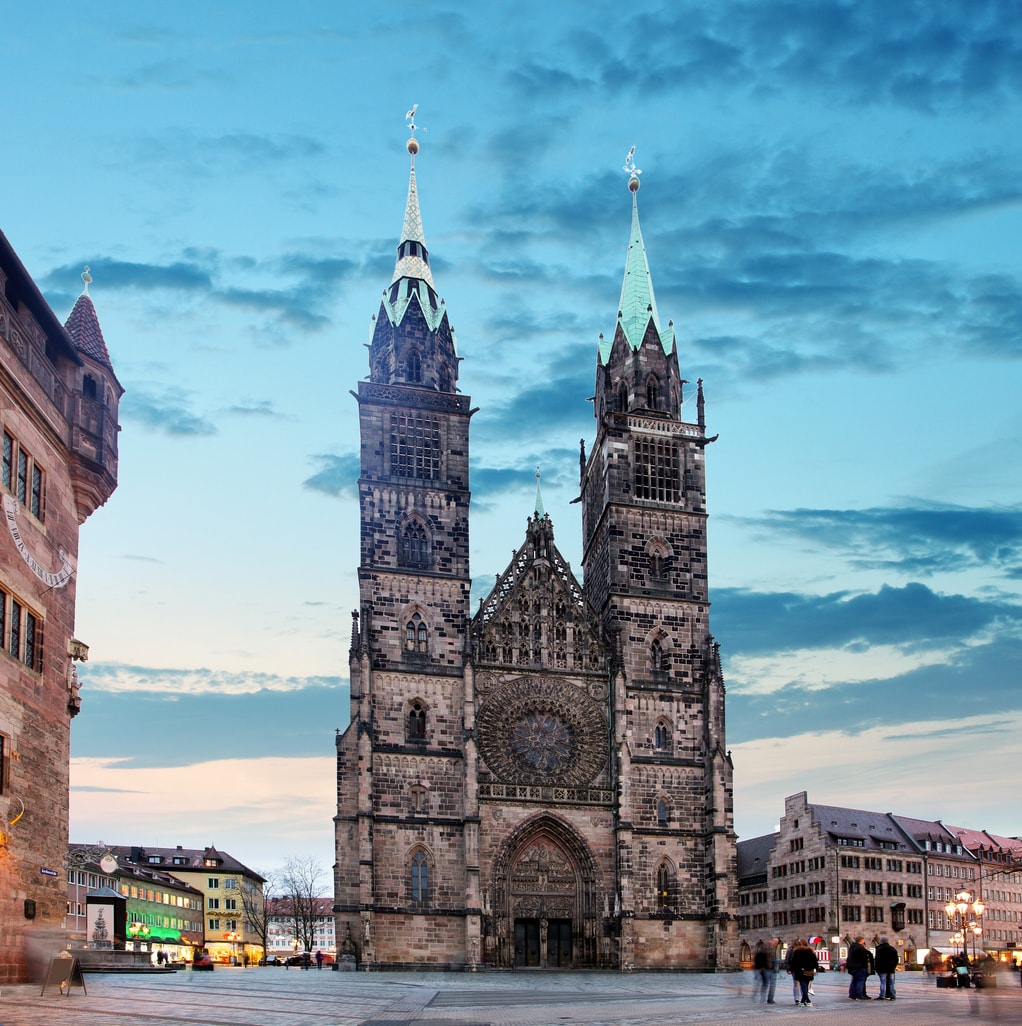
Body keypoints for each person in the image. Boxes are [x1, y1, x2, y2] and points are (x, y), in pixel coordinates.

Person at [787, 939, 819, 1007]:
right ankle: (805, 1000)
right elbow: (815, 961)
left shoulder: (797, 952)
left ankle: (806, 1000)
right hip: (809, 971)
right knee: (805, 986)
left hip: (799, 971)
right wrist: (815, 968)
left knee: (803, 985)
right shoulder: (810, 951)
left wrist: (791, 969)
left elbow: (793, 962)